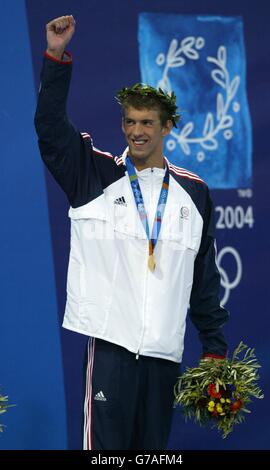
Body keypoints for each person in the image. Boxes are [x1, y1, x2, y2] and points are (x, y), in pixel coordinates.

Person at [34, 15, 229, 450]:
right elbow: (50, 131)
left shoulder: (193, 193)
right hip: (110, 352)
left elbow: (204, 279)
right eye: (129, 122)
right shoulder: (96, 174)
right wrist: (56, 56)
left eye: (146, 123)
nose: (136, 131)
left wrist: (214, 350)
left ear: (167, 127)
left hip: (163, 357)